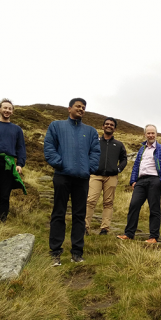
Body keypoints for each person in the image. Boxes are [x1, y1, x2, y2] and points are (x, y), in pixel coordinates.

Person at [44, 98, 100, 265]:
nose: (81, 109)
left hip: (82, 178)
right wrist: (60, 163)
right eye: (78, 106)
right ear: (69, 109)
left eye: (83, 107)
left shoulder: (90, 131)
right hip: (62, 176)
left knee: (79, 215)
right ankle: (55, 252)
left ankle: (77, 252)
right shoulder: (56, 126)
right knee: (58, 213)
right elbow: (49, 146)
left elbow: (95, 152)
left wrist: (89, 168)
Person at [117, 124, 161, 243]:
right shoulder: (142, 149)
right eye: (148, 133)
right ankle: (129, 234)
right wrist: (133, 181)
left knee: (154, 208)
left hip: (155, 180)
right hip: (141, 181)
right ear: (145, 135)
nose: (151, 135)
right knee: (134, 205)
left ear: (156, 134)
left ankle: (153, 237)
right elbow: (136, 165)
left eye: (153, 133)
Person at [85, 117, 128, 235]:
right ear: (103, 126)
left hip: (111, 177)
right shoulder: (95, 142)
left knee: (108, 203)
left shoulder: (118, 144)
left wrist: (118, 169)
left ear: (114, 128)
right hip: (95, 175)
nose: (109, 126)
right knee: (90, 200)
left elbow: (124, 159)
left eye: (112, 125)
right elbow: (87, 155)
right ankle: (85, 227)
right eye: (107, 124)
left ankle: (105, 229)